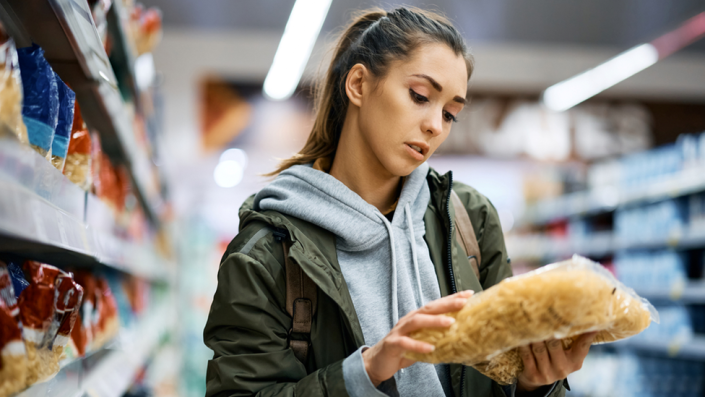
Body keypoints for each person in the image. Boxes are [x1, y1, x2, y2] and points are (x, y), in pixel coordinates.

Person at [204, 7, 596, 397]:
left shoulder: (469, 219)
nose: (435, 125)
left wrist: (534, 385)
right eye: (419, 96)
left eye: (450, 113)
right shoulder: (266, 252)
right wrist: (366, 372)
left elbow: (505, 373)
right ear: (358, 84)